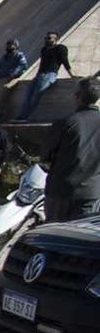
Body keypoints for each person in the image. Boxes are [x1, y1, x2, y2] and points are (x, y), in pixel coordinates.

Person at [46, 75, 100, 222]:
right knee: (77, 239)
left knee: (53, 236)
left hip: (62, 190)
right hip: (91, 193)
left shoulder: (65, 123)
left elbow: (46, 155)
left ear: (77, 97)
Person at [17, 31, 75, 121]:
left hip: (50, 74)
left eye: (49, 38)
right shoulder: (44, 49)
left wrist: (72, 74)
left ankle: (26, 117)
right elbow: (42, 64)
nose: (46, 40)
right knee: (28, 95)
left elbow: (65, 62)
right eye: (46, 38)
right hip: (40, 74)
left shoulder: (60, 48)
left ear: (55, 40)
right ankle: (21, 116)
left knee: (36, 94)